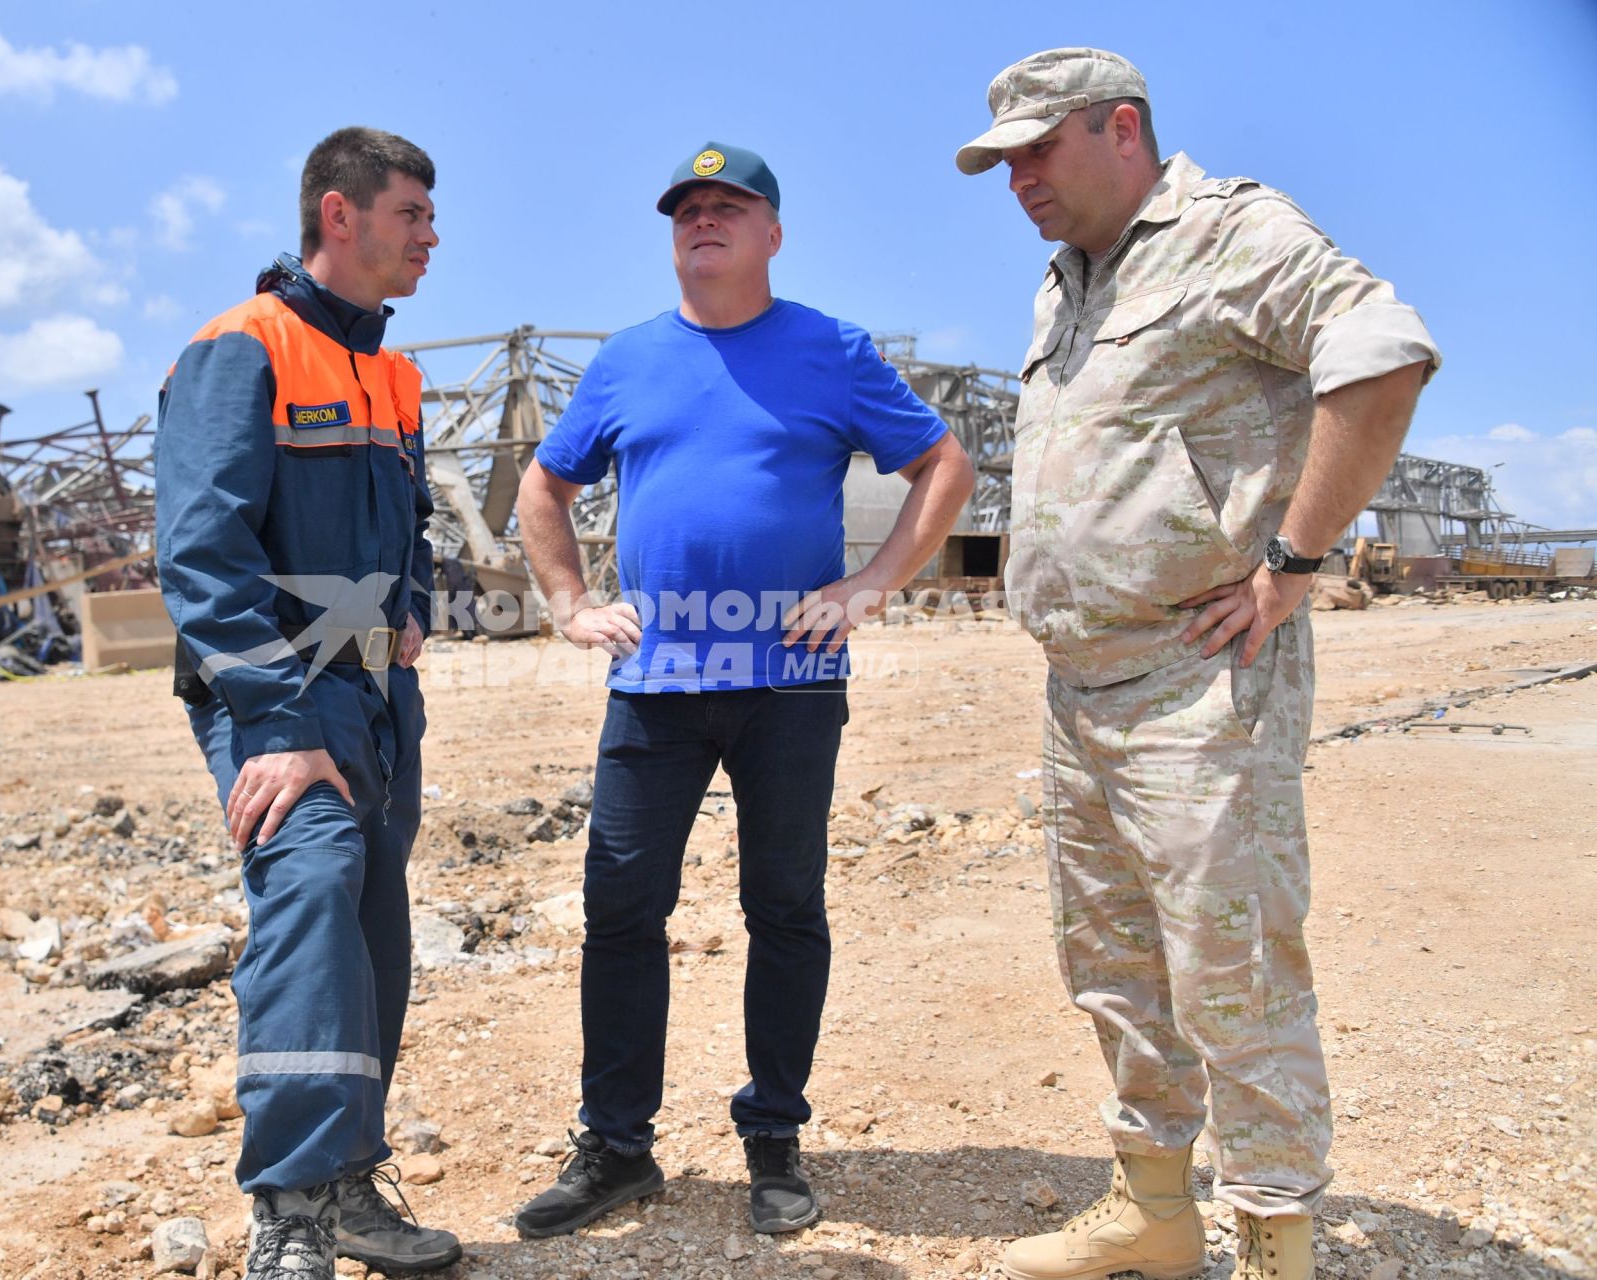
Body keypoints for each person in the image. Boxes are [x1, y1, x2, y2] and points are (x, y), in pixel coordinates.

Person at [953, 49, 1439, 1280]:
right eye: (1002, 161)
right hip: (1081, 686)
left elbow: (1383, 353)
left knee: (1234, 971)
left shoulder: (1232, 234)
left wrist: (1294, 557)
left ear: (1124, 130)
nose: (1018, 180)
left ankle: (1277, 1239)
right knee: (1113, 967)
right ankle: (1157, 1212)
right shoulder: (1061, 282)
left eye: (1038, 151)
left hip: (1198, 677)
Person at [512, 141, 975, 1240]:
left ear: (772, 232)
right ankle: (618, 1145)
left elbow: (943, 465)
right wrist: (572, 600)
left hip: (792, 685)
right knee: (621, 909)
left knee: (784, 906)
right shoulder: (627, 360)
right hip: (656, 681)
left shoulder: (833, 349)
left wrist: (871, 584)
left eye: (729, 207)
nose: (703, 222)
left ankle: (773, 1136)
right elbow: (545, 481)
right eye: (687, 210)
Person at [155, 126, 461, 1280]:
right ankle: (288, 1202)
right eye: (413, 213)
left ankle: (347, 1180)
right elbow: (199, 551)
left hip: (378, 690)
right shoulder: (243, 348)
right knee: (314, 885)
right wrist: (278, 725)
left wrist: (418, 603)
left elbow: (414, 521)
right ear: (340, 214)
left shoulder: (391, 369)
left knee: (376, 927)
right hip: (277, 694)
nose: (432, 236)